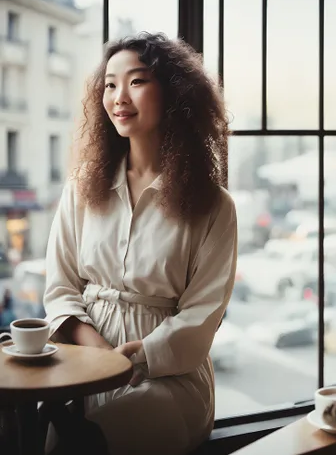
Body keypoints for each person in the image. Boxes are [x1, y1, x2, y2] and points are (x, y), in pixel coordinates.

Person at [43, 32, 237, 455]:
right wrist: (102, 359)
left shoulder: (214, 205)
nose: (118, 97)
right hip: (84, 365)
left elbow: (204, 313)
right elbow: (59, 289)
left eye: (136, 81)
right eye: (109, 84)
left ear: (174, 93)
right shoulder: (81, 189)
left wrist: (140, 356)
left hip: (169, 379)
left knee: (94, 440)